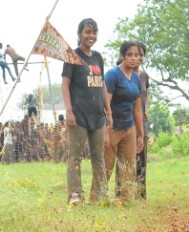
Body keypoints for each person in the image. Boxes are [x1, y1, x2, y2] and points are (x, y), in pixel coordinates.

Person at [62, 18, 108, 205]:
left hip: (98, 116)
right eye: (87, 32)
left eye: (94, 32)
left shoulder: (97, 57)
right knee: (76, 156)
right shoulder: (72, 56)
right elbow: (65, 85)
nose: (91, 36)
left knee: (99, 157)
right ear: (80, 34)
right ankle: (75, 195)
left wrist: (108, 111)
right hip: (79, 116)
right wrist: (69, 111)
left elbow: (102, 84)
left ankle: (99, 196)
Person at [103, 42, 145, 202]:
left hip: (129, 127)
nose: (134, 58)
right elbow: (106, 105)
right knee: (106, 166)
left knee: (128, 167)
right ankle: (98, 197)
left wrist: (140, 135)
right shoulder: (113, 75)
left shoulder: (136, 79)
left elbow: (137, 109)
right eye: (130, 55)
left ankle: (124, 200)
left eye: (137, 55)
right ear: (122, 56)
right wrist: (106, 130)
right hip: (113, 127)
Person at [134, 42, 149, 199]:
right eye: (133, 54)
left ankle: (141, 194)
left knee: (141, 157)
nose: (137, 58)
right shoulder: (119, 74)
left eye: (140, 55)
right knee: (125, 157)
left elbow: (145, 94)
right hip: (126, 119)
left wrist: (146, 110)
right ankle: (123, 193)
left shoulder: (144, 76)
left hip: (142, 121)